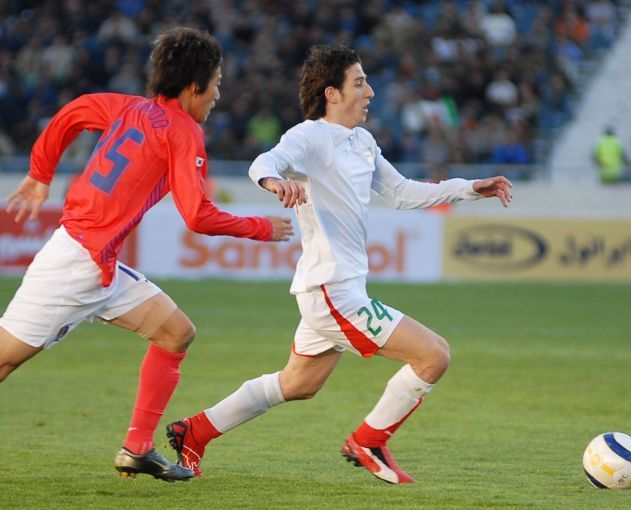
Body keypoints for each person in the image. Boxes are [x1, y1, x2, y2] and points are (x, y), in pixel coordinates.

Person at [166, 44, 512, 484]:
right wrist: (275, 182)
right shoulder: (309, 136)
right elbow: (264, 162)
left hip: (337, 289)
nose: (369, 92)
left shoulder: (363, 142)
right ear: (332, 93)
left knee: (299, 385)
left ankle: (194, 431)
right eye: (359, 83)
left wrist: (469, 188)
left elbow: (403, 193)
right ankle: (369, 441)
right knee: (434, 355)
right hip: (332, 291)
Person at [0, 27, 294, 482]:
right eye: (216, 83)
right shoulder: (184, 131)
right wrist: (261, 227)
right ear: (194, 86)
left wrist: (41, 172)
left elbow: (74, 111)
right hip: (75, 265)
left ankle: (137, 448)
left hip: (97, 263)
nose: (218, 94)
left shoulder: (130, 107)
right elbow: (197, 215)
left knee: (176, 333)